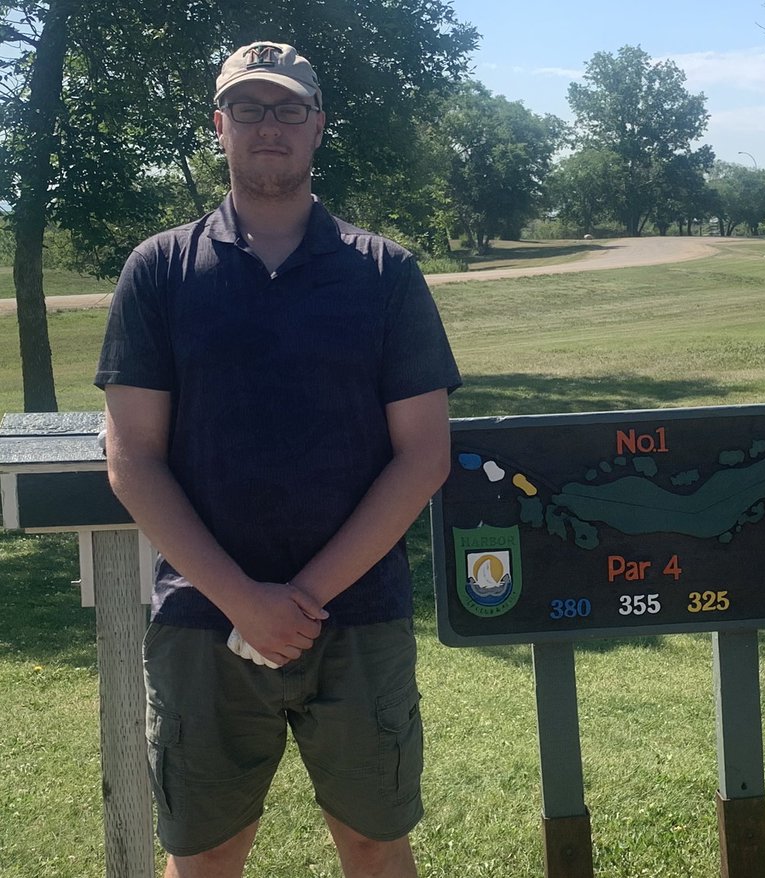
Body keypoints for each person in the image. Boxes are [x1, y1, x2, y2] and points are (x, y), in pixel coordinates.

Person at [95, 41, 460, 878]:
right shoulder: (159, 270)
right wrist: (242, 602)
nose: (270, 125)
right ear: (219, 126)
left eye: (289, 108)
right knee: (206, 856)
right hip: (201, 619)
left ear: (318, 128)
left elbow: (423, 455)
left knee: (375, 844)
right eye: (249, 108)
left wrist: (297, 601)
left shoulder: (384, 273)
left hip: (359, 613)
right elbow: (134, 459)